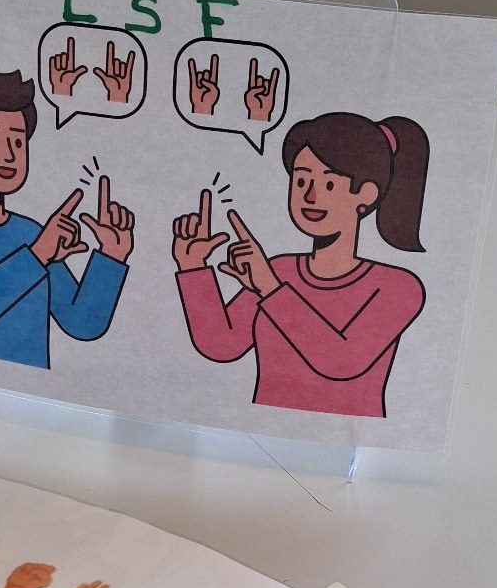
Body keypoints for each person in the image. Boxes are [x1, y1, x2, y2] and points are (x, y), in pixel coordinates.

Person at [173, 111, 428, 418]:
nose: (310, 195)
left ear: (366, 195)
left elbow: (342, 360)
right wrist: (193, 266)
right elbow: (222, 344)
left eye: (329, 184)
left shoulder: (398, 287)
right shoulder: (278, 271)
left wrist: (270, 289)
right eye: (302, 180)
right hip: (262, 429)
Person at [0, 68, 134, 370]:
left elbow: (81, 322)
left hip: (28, 391)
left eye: (17, 141)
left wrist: (112, 255)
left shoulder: (32, 233)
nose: (9, 154)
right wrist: (40, 253)